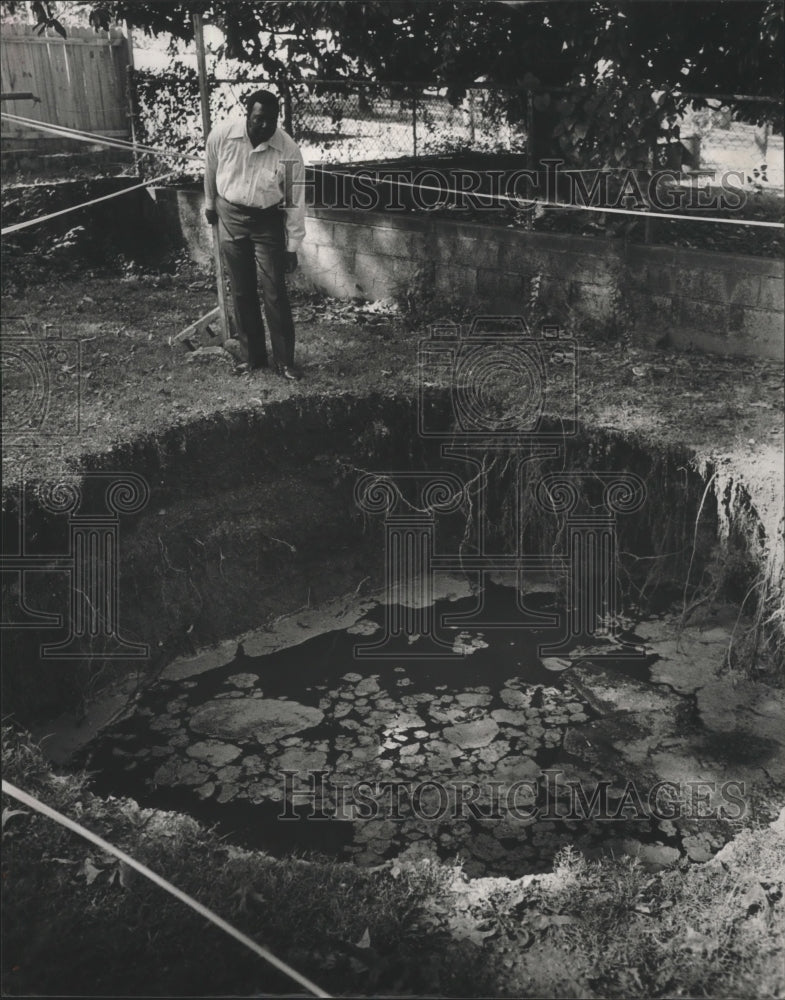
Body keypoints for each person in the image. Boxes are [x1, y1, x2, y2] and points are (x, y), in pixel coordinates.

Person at [204, 89, 305, 380]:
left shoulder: (287, 150)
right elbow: (210, 170)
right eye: (259, 119)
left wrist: (292, 244)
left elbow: (293, 199)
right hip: (230, 215)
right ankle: (252, 358)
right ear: (247, 115)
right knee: (241, 289)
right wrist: (210, 204)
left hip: (267, 221)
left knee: (274, 291)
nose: (264, 127)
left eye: (271, 121)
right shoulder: (222, 135)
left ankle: (285, 362)